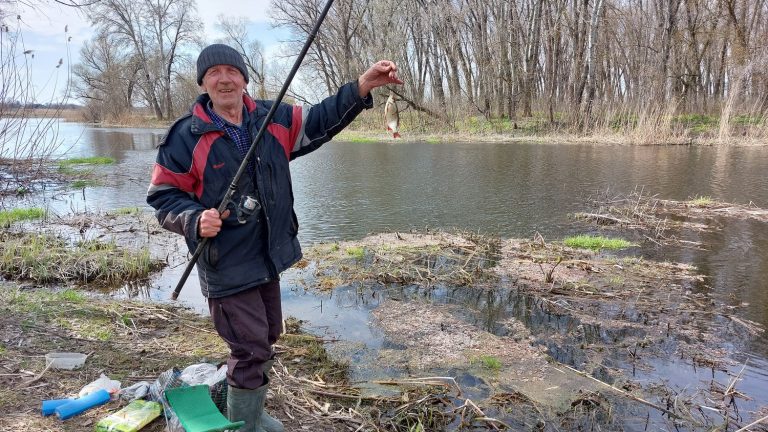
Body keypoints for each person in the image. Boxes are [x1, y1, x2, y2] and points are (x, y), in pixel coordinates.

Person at [146, 43, 402, 432]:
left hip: (269, 255)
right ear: (203, 82)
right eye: (213, 73)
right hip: (226, 264)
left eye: (231, 71)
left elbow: (319, 120)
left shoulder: (273, 118)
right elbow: (163, 196)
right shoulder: (186, 136)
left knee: (266, 337)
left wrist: (362, 87)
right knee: (250, 348)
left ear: (244, 78)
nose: (224, 79)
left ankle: (248, 410)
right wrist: (194, 219)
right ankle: (244, 424)